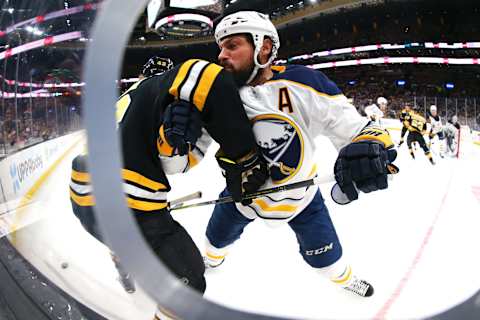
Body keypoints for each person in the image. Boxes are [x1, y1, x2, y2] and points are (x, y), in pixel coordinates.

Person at [203, 11, 399, 298]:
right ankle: (211, 261)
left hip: (301, 200)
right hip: (241, 195)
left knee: (329, 262)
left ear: (264, 47)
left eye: (231, 46)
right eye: (220, 48)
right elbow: (181, 157)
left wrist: (372, 146)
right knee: (214, 242)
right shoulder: (215, 94)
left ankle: (344, 280)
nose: (221, 55)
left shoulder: (305, 84)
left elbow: (359, 129)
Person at [69, 59, 269, 317]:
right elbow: (202, 74)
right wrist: (244, 156)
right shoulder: (164, 88)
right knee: (189, 282)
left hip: (81, 195)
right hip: (128, 203)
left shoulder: (123, 99)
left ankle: (123, 268)